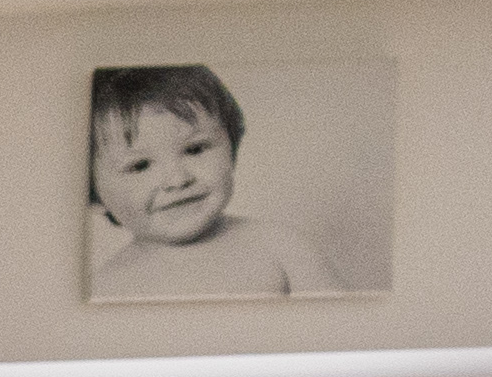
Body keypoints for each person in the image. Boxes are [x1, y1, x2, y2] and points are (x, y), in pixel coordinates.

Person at [83, 62, 330, 298]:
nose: (178, 180)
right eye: (140, 166)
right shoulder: (105, 287)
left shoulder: (281, 247)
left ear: (231, 148)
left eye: (195, 149)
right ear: (91, 193)